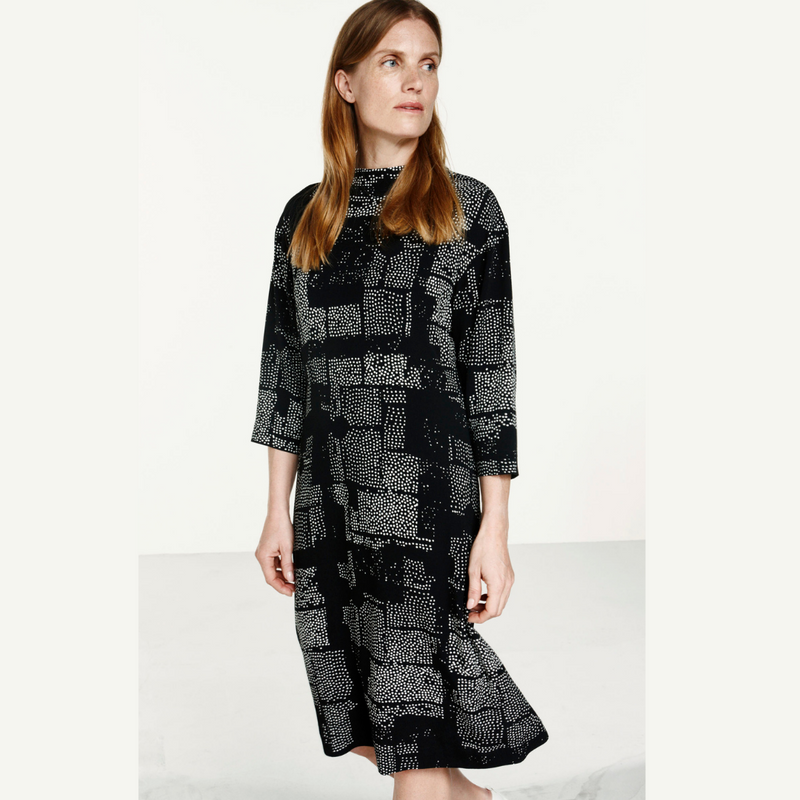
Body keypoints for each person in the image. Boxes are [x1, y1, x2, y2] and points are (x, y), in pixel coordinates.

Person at [252, 2, 549, 798]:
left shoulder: (466, 210)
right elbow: (284, 372)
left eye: (429, 63)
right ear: (346, 83)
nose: (415, 80)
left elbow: (491, 376)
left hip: (426, 501)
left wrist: (495, 528)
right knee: (371, 710)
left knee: (409, 717)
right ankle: (468, 796)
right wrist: (277, 510)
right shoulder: (304, 219)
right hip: (330, 502)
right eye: (392, 61)